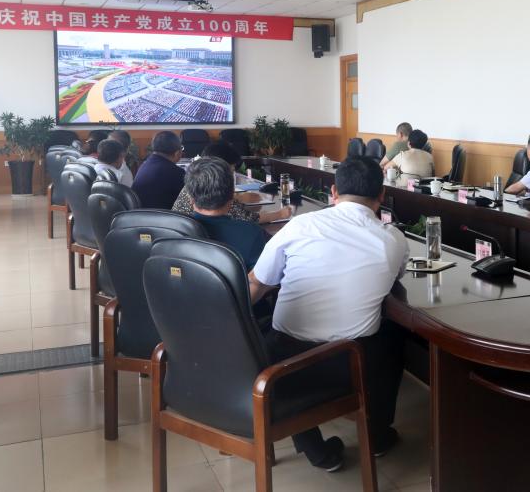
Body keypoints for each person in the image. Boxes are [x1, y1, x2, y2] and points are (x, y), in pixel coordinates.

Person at [249, 157, 408, 471]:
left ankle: (315, 450)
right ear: (382, 196)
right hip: (348, 364)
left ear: (333, 191)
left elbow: (257, 284)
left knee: (272, 334)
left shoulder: (300, 225)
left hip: (282, 363)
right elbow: (396, 276)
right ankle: (376, 436)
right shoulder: (393, 239)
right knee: (393, 336)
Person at [171, 142, 289, 225]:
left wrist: (238, 197)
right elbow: (249, 219)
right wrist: (281, 214)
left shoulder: (196, 180)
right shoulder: (217, 187)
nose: (232, 173)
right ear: (220, 166)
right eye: (231, 169)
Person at [184, 157, 268, 272]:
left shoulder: (175, 230)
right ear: (231, 196)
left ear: (190, 198)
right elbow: (259, 279)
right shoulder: (251, 233)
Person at [131, 131, 185, 210]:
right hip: (162, 216)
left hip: (138, 214)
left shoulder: (144, 165)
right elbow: (186, 202)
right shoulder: (177, 173)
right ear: (177, 153)